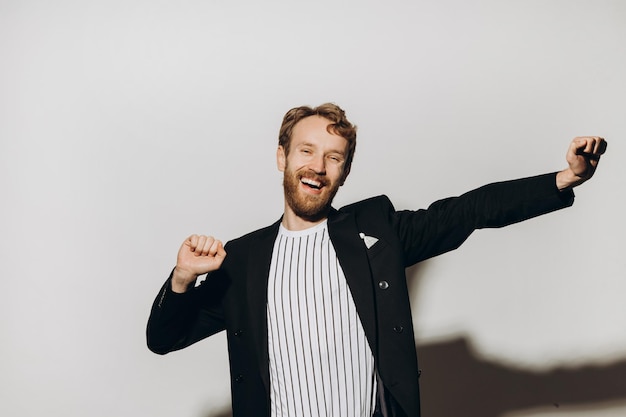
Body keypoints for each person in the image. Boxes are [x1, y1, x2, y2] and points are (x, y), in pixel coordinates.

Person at [147, 103, 607, 417]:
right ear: (282, 157)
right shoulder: (243, 259)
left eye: (333, 157)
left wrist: (564, 178)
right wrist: (183, 277)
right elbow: (164, 339)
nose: (317, 166)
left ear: (344, 172)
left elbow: (467, 211)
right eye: (306, 151)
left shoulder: (377, 232)